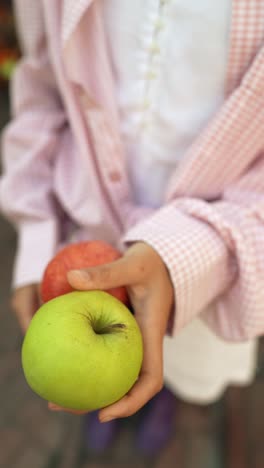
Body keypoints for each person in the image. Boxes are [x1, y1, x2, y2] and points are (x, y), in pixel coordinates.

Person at [1, 0, 264, 456]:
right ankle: (118, 393)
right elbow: (42, 86)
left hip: (220, 255)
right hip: (88, 235)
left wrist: (184, 254)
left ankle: (165, 399)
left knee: (178, 358)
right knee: (113, 363)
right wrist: (38, 234)